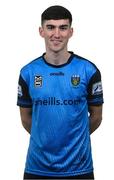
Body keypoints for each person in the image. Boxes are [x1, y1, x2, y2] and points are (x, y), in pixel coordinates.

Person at [17, 5, 104, 179]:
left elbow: (96, 117)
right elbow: (26, 119)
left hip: (79, 169)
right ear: (41, 31)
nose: (56, 34)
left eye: (63, 28)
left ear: (71, 32)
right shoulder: (28, 73)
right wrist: (45, 139)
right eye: (50, 27)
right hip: (37, 168)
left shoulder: (88, 70)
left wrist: (74, 141)